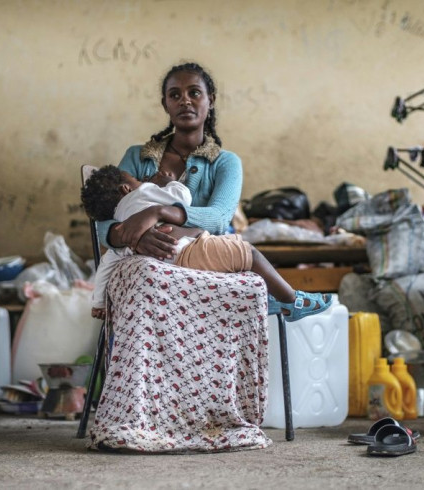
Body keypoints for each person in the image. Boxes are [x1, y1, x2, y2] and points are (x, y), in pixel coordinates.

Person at [86, 62, 274, 453]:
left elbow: (220, 218)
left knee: (252, 284)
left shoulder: (225, 162)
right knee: (144, 274)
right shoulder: (137, 157)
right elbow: (107, 223)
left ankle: (212, 417)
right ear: (165, 104)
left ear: (210, 101)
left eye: (194, 93)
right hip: (145, 262)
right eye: (175, 94)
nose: (185, 100)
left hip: (197, 258)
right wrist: (135, 239)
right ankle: (142, 415)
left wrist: (157, 213)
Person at [81, 164, 332, 320]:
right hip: (191, 252)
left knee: (236, 270)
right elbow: (183, 196)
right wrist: (168, 182)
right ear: (126, 189)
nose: (142, 181)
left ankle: (270, 302)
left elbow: (108, 262)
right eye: (135, 180)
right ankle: (293, 299)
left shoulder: (123, 223)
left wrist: (99, 302)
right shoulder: (145, 191)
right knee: (248, 254)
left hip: (169, 277)